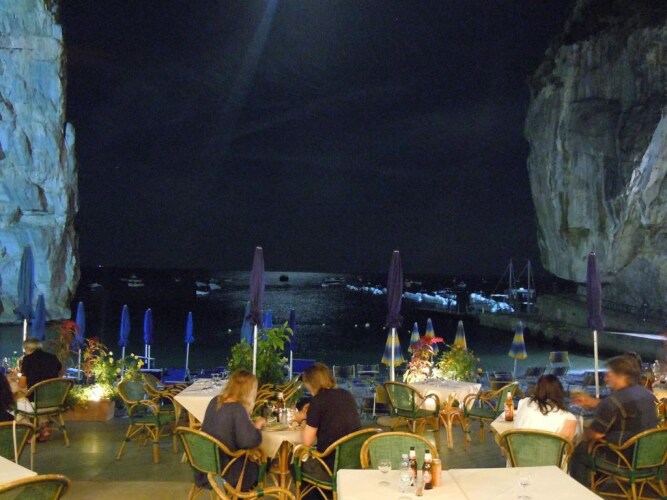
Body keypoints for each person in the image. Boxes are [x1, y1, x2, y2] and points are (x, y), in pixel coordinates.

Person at [570, 355, 658, 485]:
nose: (606, 379)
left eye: (609, 374)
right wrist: (593, 403)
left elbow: (595, 434)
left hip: (623, 459)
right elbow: (623, 409)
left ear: (621, 376)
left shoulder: (613, 401)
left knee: (581, 451)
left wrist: (581, 434)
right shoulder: (647, 395)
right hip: (651, 458)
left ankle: (582, 491)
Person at [198, 369, 266, 492]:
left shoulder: (215, 401)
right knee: (265, 461)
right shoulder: (237, 409)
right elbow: (249, 441)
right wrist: (257, 426)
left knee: (253, 457)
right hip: (228, 471)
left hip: (205, 467)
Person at [292, 362, 361, 480]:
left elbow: (307, 442)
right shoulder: (347, 395)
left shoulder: (318, 401)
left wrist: (303, 419)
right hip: (355, 462)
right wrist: (310, 415)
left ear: (311, 383)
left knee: (294, 462)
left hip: (330, 467)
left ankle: (319, 490)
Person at [16, 338, 63, 440]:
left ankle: (35, 430)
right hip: (54, 401)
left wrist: (17, 379)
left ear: (27, 348)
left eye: (25, 349)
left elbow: (22, 385)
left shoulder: (27, 359)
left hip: (37, 402)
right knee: (39, 396)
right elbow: (60, 373)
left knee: (17, 402)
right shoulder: (53, 357)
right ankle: (44, 427)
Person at [514, 374, 577, 441]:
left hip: (516, 447)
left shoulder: (523, 402)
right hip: (547, 448)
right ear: (560, 392)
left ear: (537, 389)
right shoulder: (569, 418)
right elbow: (565, 445)